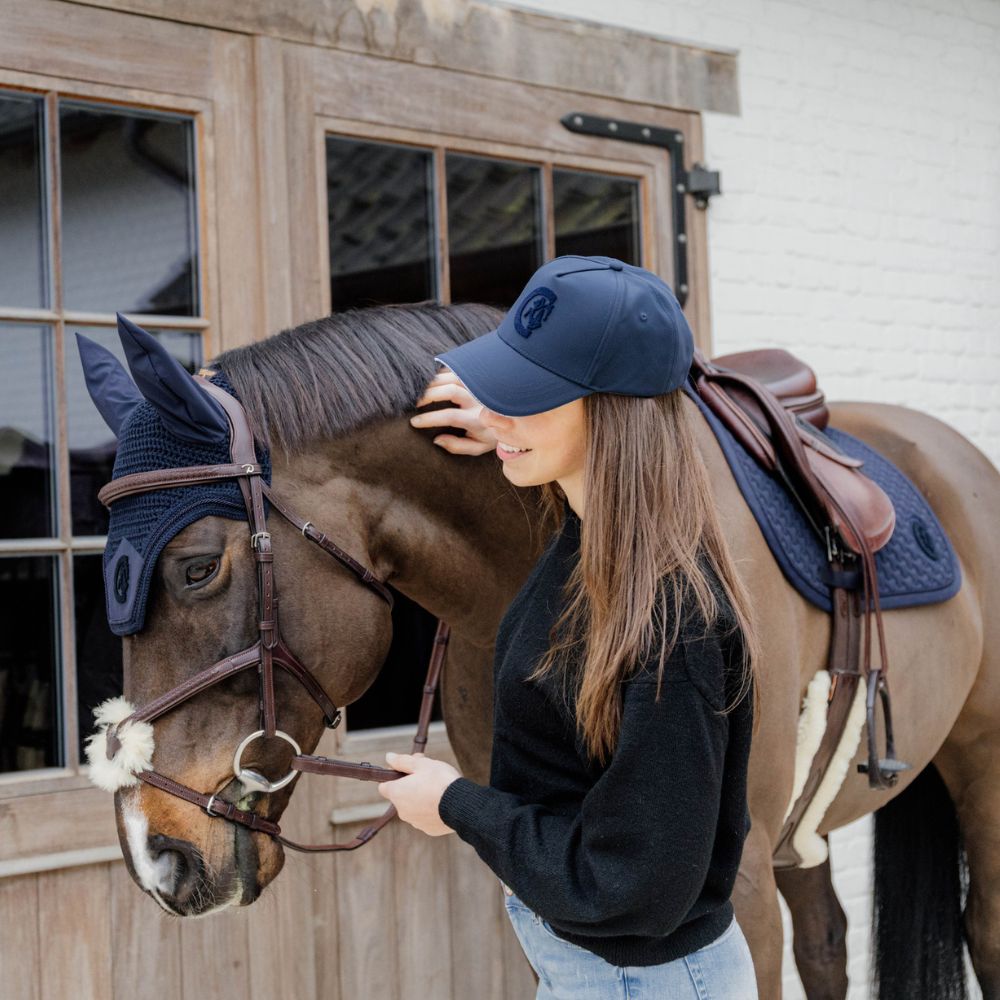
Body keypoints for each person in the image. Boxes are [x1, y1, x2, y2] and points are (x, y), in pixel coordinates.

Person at [378, 255, 761, 999]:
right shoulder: (587, 544)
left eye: (529, 397)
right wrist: (514, 436)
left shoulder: (670, 624)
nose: (496, 415)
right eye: (503, 387)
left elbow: (635, 883)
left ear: (612, 417)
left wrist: (456, 804)